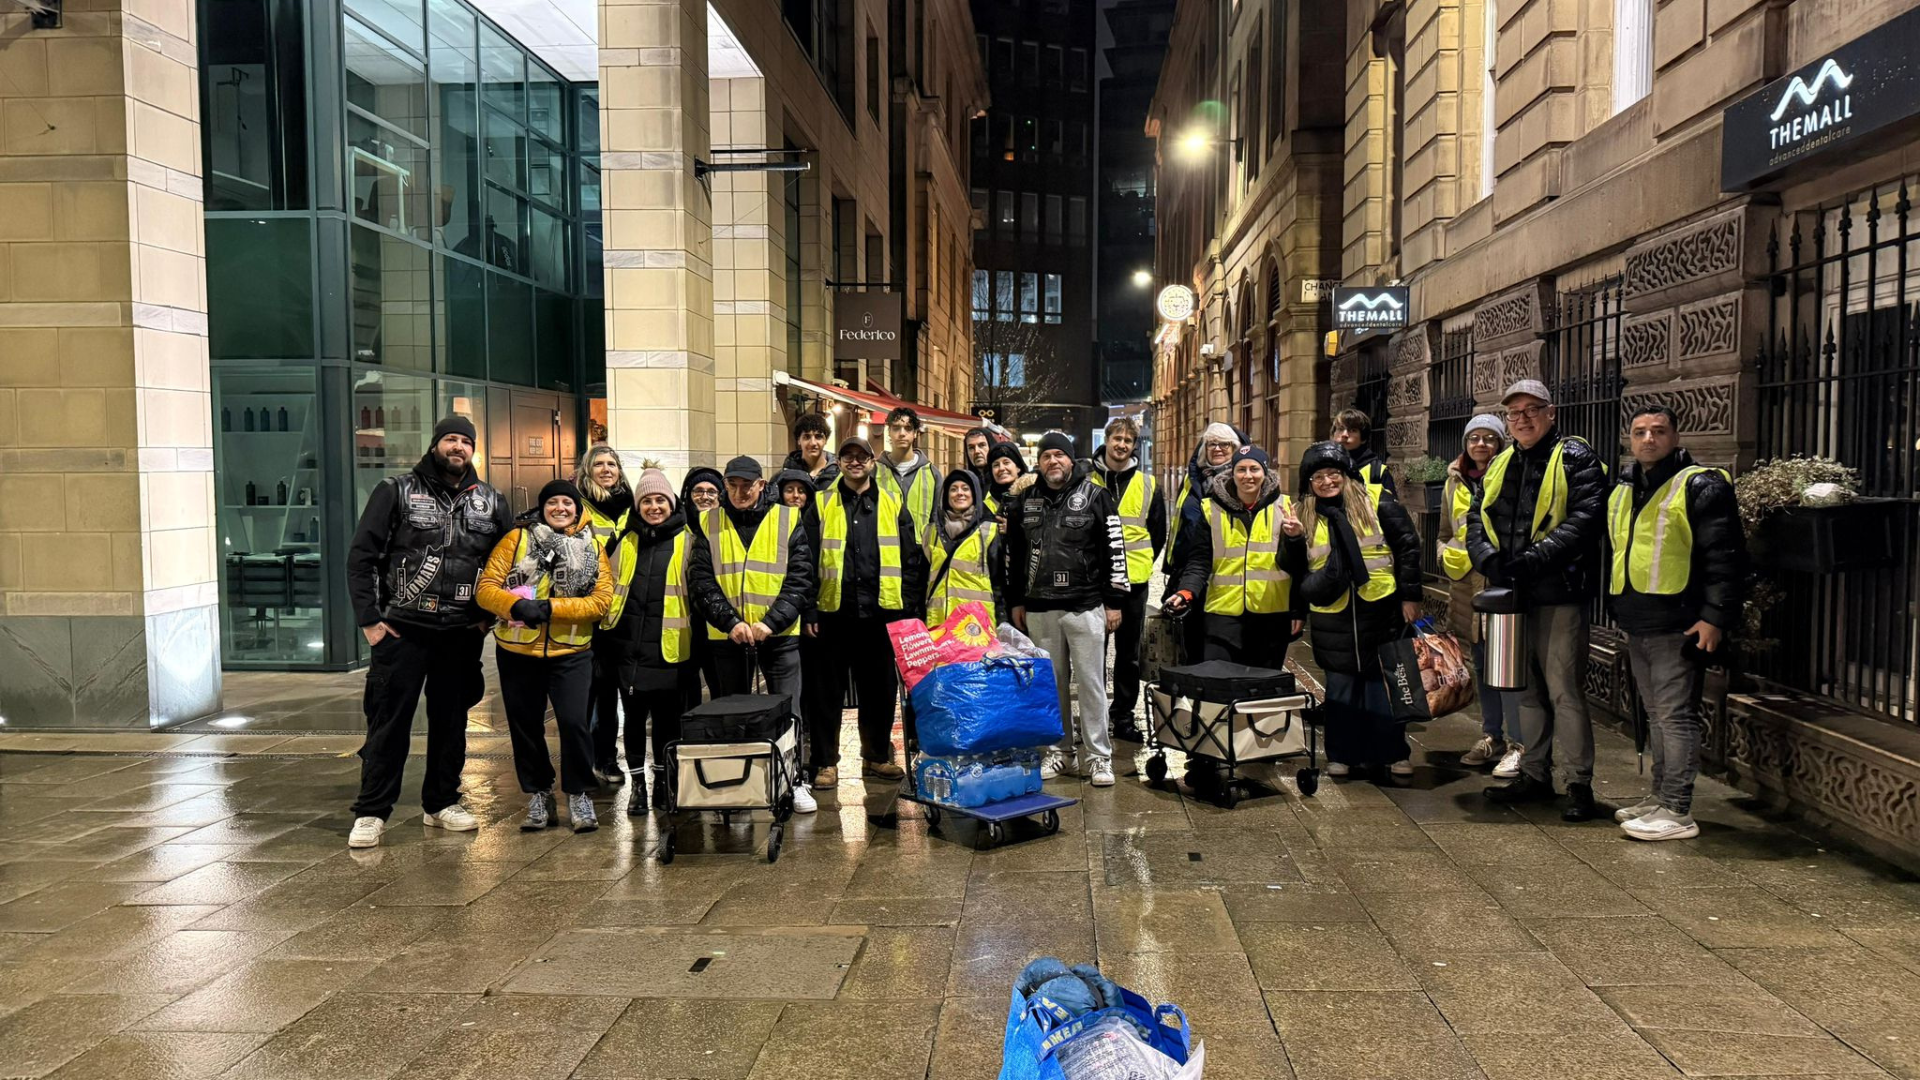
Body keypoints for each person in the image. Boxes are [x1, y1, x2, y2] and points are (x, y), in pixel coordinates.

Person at [344, 415, 511, 849]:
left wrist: (487, 617)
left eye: (465, 441)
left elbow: (507, 565)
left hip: (460, 633)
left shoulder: (491, 501)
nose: (458, 447)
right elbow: (362, 558)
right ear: (436, 444)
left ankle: (441, 802)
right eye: (451, 439)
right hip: (402, 631)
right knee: (388, 723)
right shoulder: (395, 491)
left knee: (452, 723)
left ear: (473, 449)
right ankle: (371, 811)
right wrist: (370, 621)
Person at [1468, 379, 1609, 821]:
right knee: (1526, 690)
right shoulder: (1501, 462)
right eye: (1515, 412)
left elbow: (1586, 518)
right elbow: (1476, 517)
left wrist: (1534, 559)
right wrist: (1488, 559)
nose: (1523, 419)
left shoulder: (1575, 456)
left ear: (1551, 413)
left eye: (1532, 409)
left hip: (1558, 592)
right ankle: (1534, 773)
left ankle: (1579, 783)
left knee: (1564, 689)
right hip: (1513, 594)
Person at [1607, 404, 1743, 841]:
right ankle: (1660, 798)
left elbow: (1725, 556)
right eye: (1640, 432)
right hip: (1638, 618)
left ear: (1675, 436)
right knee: (1656, 715)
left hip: (1679, 621)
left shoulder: (1700, 484)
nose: (1648, 439)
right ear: (1630, 439)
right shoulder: (1625, 487)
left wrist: (1713, 617)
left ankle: (1678, 809)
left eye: (1658, 431)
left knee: (1675, 716)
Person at [475, 479, 614, 833]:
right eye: (553, 502)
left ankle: (579, 793)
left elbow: (601, 601)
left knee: (574, 723)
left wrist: (552, 609)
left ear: (577, 509)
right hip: (518, 651)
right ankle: (539, 793)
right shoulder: (516, 539)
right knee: (525, 727)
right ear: (542, 507)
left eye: (567, 503)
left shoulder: (593, 546)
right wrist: (516, 606)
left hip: (571, 652)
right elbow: (486, 588)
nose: (560, 508)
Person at [1291, 442, 1424, 780]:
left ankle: (1393, 752)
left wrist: (1410, 597)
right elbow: (1294, 568)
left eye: (1332, 473)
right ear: (1309, 482)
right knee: (1340, 687)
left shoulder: (1376, 501)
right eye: (1318, 477)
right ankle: (1342, 754)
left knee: (1383, 684)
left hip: (1379, 607)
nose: (1326, 481)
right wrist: (1297, 610)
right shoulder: (1302, 513)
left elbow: (1407, 546)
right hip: (1332, 613)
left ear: (1346, 474)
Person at [1005, 431, 1130, 786]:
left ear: (1071, 460)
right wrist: (1017, 601)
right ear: (1039, 462)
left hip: (1085, 606)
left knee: (1091, 685)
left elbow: (1115, 550)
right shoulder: (1024, 501)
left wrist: (1114, 601)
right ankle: (1060, 753)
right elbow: (1014, 555)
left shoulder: (1096, 497)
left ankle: (1099, 757)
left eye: (1059, 455)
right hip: (1040, 608)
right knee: (1052, 686)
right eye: (1046, 456)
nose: (1053, 461)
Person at [807, 437, 928, 784]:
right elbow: (808, 559)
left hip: (881, 614)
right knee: (826, 693)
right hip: (833, 612)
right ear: (839, 462)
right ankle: (825, 763)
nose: (855, 462)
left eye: (862, 456)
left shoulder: (892, 501)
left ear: (872, 462)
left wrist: (906, 607)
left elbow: (910, 558)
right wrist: (810, 610)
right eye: (848, 456)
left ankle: (875, 757)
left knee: (879, 690)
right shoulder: (821, 502)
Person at [601, 469, 699, 817]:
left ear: (671, 504)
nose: (654, 507)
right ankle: (638, 785)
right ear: (637, 505)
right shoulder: (625, 540)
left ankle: (662, 781)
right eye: (646, 501)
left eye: (660, 500)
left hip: (670, 648)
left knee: (666, 722)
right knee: (633, 719)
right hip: (628, 648)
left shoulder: (688, 541)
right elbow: (608, 587)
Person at [686, 455, 814, 703]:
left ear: (761, 485)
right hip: (728, 636)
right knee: (734, 716)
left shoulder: (786, 519)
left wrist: (771, 622)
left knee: (787, 714)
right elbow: (701, 581)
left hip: (779, 636)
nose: (739, 492)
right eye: (732, 485)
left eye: (747, 485)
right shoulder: (710, 522)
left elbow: (800, 578)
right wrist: (731, 622)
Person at [1439, 414, 1523, 776]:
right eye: (1474, 438)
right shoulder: (1453, 481)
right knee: (1483, 666)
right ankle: (1492, 736)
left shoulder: (1512, 474)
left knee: (1508, 669)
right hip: (1465, 588)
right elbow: (1445, 531)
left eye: (1489, 438)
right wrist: (1444, 555)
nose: (1481, 444)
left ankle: (1519, 744)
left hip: (1500, 584)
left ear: (1500, 443)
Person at [1167, 445, 1299, 666]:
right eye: (1241, 469)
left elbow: (1297, 566)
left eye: (1254, 469)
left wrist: (1296, 538)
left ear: (1265, 472)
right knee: (1219, 679)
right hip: (1222, 613)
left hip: (1271, 614)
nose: (1248, 476)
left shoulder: (1283, 507)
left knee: (1261, 685)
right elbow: (1199, 561)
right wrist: (1186, 591)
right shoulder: (1211, 509)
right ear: (1233, 473)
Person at [1090, 416, 1166, 739]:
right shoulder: (1086, 479)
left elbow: (1158, 533)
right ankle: (1094, 717)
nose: (1121, 445)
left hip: (1134, 583)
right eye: (1117, 438)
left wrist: (1141, 564)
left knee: (1128, 655)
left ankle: (1122, 716)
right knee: (1091, 654)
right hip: (1092, 583)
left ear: (1134, 446)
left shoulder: (1148, 485)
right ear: (1106, 440)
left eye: (1128, 440)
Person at [576, 444, 635, 787]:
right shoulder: (577, 506)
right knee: (586, 694)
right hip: (587, 614)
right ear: (588, 470)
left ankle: (606, 758)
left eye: (611, 463)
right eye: (598, 463)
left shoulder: (631, 505)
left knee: (611, 693)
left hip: (622, 615)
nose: (606, 469)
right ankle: (582, 762)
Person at [1164, 422, 1246, 659]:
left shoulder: (1244, 481)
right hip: (1191, 573)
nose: (1217, 448)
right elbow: (1179, 526)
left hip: (1227, 579)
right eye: (1212, 444)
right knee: (1192, 647)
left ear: (1236, 448)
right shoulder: (1193, 480)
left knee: (1221, 650)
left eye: (1225, 444)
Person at [926, 469, 1006, 629]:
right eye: (953, 489)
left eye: (965, 488)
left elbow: (999, 582)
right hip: (938, 624)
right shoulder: (930, 532)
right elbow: (921, 579)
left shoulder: (989, 531)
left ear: (974, 493)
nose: (959, 493)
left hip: (976, 627)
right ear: (946, 495)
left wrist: (1002, 618)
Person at [678, 465, 726, 700]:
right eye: (698, 491)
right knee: (687, 686)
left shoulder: (727, 527)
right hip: (686, 618)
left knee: (721, 684)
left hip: (718, 618)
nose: (704, 496)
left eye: (711, 491)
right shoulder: (677, 526)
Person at [876, 406, 942, 542]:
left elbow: (937, 518)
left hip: (920, 550)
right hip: (883, 548)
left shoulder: (932, 473)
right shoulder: (874, 471)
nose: (902, 433)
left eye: (908, 428)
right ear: (889, 432)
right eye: (896, 428)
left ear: (915, 433)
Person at [1331, 408, 1397, 498]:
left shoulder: (1377, 472)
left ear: (1363, 438)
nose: (1344, 434)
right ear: (1333, 434)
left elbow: (1390, 506)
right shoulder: (1322, 467)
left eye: (1352, 430)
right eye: (1340, 429)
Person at [782, 412, 840, 490]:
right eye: (807, 437)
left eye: (818, 437)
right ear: (798, 440)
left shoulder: (838, 474)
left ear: (825, 440)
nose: (813, 443)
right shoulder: (786, 474)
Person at [984, 441, 1028, 522]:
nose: (1001, 468)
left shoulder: (1033, 496)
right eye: (996, 465)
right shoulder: (985, 501)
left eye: (1006, 463)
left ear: (1018, 467)